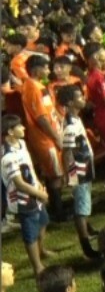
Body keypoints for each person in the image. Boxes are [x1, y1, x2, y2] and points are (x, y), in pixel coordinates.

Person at [1, 115, 51, 275]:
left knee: (43, 220)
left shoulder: (22, 144)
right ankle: (37, 267)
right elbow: (19, 184)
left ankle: (41, 249)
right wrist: (39, 194)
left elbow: (29, 167)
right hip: (24, 199)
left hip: (34, 193)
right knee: (30, 232)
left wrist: (39, 185)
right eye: (19, 126)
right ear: (10, 131)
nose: (23, 128)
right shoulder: (8, 157)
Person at [56, 85, 100, 259]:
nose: (83, 98)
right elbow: (66, 151)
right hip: (79, 170)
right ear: (70, 102)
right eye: (79, 96)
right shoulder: (70, 126)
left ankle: (87, 230)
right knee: (81, 207)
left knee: (84, 202)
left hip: (84, 166)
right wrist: (69, 174)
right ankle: (86, 247)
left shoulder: (76, 119)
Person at [21, 54, 64, 221]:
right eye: (45, 67)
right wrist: (56, 137)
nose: (48, 70)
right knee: (55, 174)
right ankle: (57, 212)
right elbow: (41, 117)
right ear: (35, 69)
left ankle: (56, 207)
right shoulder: (32, 87)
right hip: (44, 139)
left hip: (48, 137)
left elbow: (48, 112)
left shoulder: (39, 86)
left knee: (54, 172)